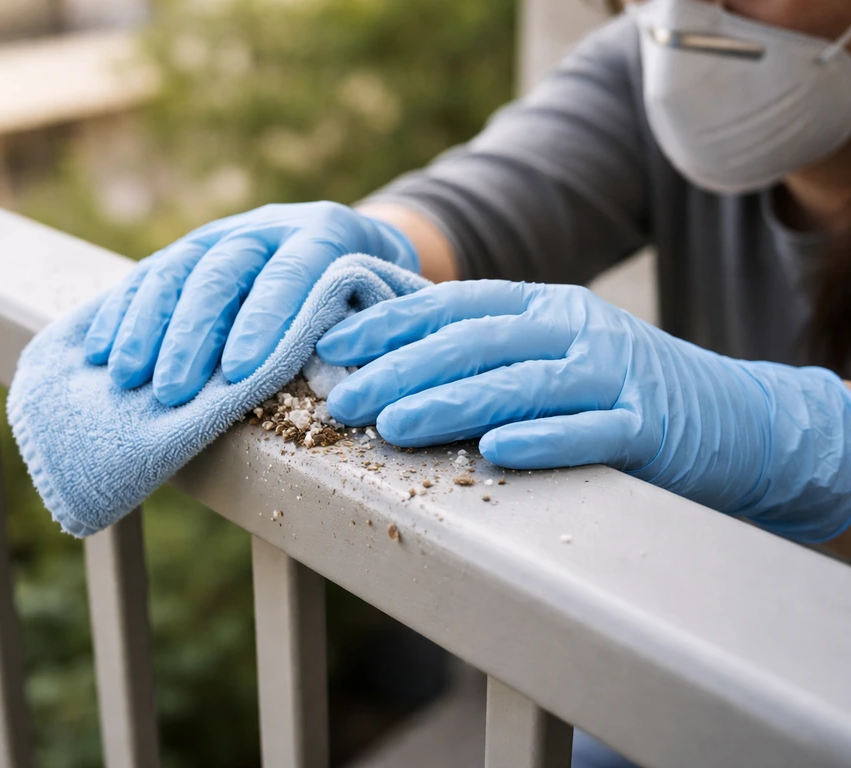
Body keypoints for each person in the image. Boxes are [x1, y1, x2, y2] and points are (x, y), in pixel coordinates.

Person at [84, 1, 851, 762]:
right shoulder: (661, 60)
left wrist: (808, 444)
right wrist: (352, 259)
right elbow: (474, 206)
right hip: (740, 645)